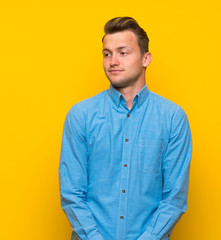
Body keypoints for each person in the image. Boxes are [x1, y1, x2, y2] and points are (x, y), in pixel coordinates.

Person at [59, 16, 192, 240]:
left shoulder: (172, 118)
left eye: (123, 52)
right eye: (107, 53)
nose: (113, 61)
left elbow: (174, 198)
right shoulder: (81, 115)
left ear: (145, 59)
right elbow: (72, 194)